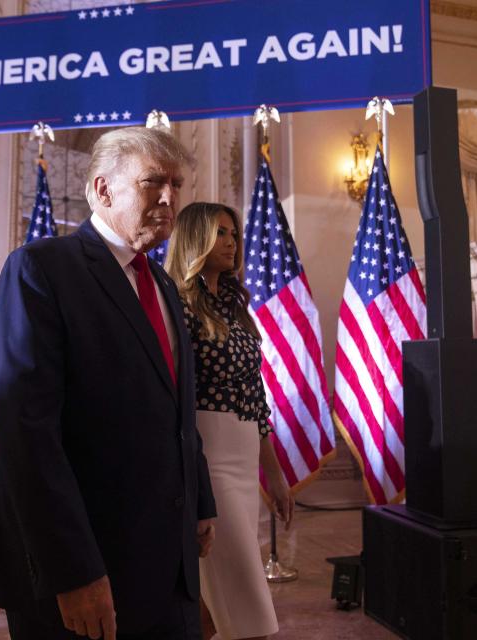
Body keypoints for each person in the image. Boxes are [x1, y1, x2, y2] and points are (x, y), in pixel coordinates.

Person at [0, 127, 217, 640]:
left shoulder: (164, 283)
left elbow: (177, 411)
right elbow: (29, 437)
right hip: (82, 562)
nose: (170, 198)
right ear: (103, 190)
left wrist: (200, 501)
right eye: (153, 183)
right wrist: (72, 569)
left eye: (177, 184)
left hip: (164, 555)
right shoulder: (40, 269)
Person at [165, 202, 294, 640]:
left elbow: (254, 395)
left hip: (243, 457)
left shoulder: (235, 308)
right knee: (245, 596)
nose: (232, 242)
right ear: (196, 238)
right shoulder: (177, 306)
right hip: (208, 459)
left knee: (210, 605)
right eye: (221, 233)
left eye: (234, 234)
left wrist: (273, 473)